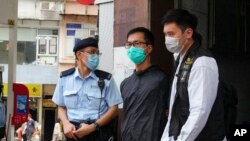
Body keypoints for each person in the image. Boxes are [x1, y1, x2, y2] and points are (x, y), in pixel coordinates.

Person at [161, 9, 226, 141]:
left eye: (171, 34)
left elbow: (199, 111)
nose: (167, 39)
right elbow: (175, 108)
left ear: (188, 33)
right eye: (165, 34)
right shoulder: (180, 59)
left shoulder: (202, 62)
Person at [52, 37, 123, 141]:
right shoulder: (64, 78)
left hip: (99, 132)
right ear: (79, 55)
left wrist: (92, 127)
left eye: (97, 53)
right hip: (73, 133)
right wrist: (66, 123)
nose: (96, 56)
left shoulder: (106, 79)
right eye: (92, 52)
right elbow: (61, 107)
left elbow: (114, 109)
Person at [120, 27, 170, 141]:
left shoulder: (161, 79)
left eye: (137, 43)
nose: (132, 48)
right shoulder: (125, 83)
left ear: (148, 49)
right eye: (129, 44)